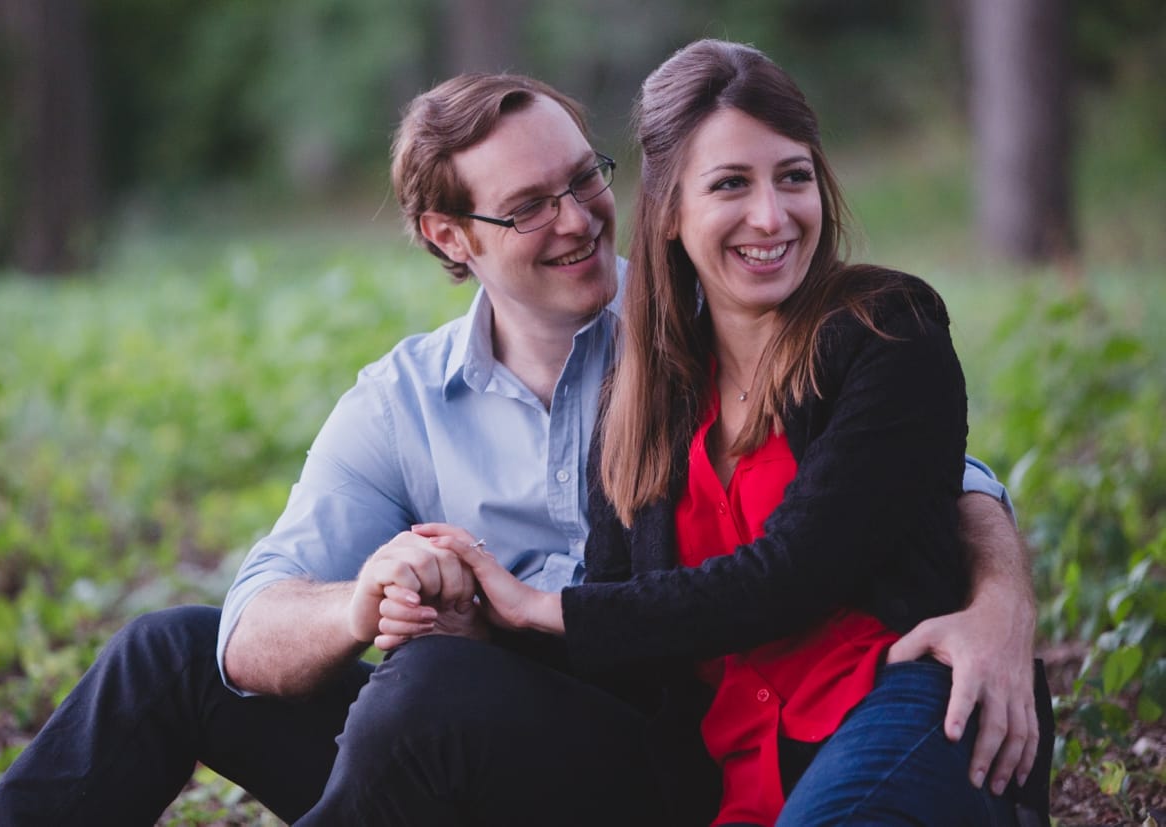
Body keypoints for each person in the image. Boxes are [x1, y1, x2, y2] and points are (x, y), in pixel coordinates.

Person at [0, 71, 1040, 827]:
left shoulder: (696, 310)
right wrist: (365, 602)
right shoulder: (402, 401)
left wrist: (1000, 599)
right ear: (450, 236)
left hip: (633, 731)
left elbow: (914, 471)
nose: (578, 221)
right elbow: (252, 625)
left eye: (587, 178)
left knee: (426, 691)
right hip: (471, 715)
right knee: (174, 652)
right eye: (529, 206)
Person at [369, 41, 1053, 826]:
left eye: (793, 176)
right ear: (670, 212)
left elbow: (793, 571)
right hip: (729, 783)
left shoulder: (887, 332)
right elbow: (629, 650)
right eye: (731, 184)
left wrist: (536, 606)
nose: (771, 215)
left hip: (907, 708)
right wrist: (483, 626)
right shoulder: (643, 399)